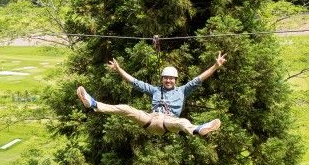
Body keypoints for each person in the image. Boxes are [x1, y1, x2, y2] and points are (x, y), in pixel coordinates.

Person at [76, 51, 227, 136]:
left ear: (175, 80)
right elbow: (134, 82)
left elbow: (198, 79)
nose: (168, 81)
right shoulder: (155, 90)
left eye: (171, 79)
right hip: (150, 120)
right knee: (126, 109)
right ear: (162, 79)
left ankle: (199, 130)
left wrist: (215, 66)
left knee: (182, 123)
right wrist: (118, 69)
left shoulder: (182, 91)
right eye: (165, 78)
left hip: (167, 123)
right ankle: (93, 103)